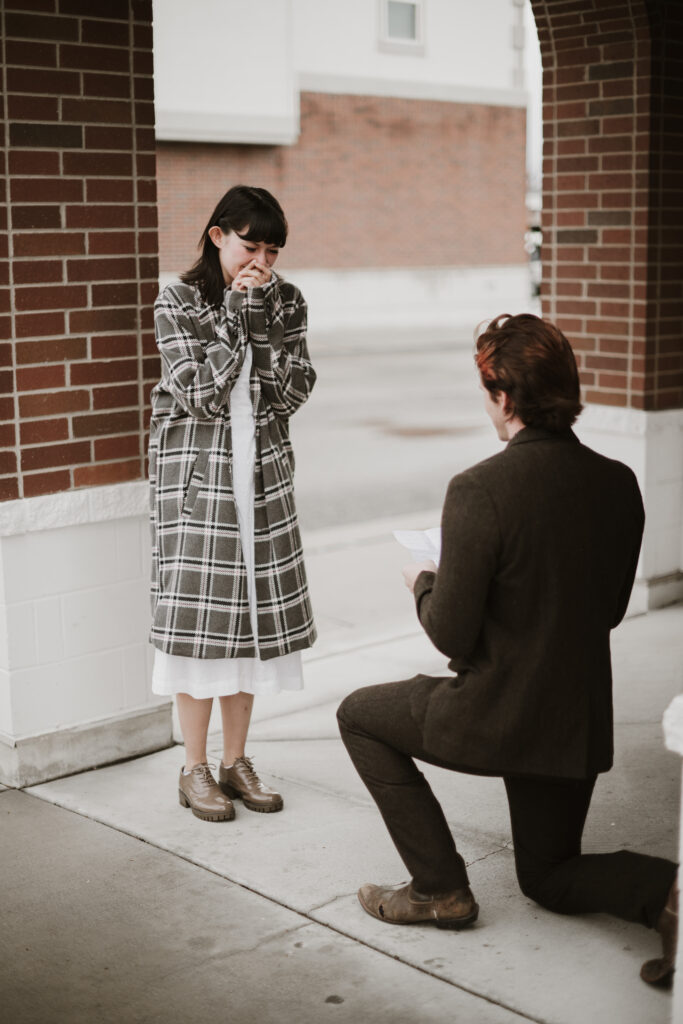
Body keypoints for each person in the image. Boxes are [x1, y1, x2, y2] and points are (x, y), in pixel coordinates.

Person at [337, 313, 677, 987]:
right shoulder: (618, 482)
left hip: (494, 711)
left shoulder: (479, 489)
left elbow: (450, 634)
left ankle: (438, 887)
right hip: (571, 720)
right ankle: (673, 894)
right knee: (550, 877)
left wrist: (424, 581)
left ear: (503, 395)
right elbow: (604, 610)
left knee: (357, 713)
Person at [149, 185, 316, 822]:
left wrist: (264, 322)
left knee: (249, 625)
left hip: (262, 477)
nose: (262, 262)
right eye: (252, 246)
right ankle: (193, 768)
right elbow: (199, 394)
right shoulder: (178, 299)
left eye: (272, 250)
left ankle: (235, 760)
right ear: (217, 235)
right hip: (198, 483)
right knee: (197, 634)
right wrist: (237, 318)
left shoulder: (288, 300)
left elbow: (292, 389)